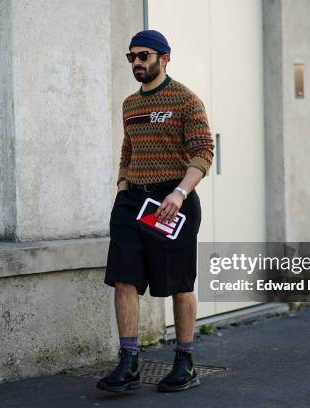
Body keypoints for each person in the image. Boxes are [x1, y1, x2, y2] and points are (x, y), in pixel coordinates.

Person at [96, 29, 214, 393]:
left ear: (164, 58)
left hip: (170, 202)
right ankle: (129, 362)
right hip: (134, 202)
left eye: (143, 55)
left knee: (178, 282)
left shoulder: (185, 100)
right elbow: (127, 152)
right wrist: (121, 188)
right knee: (123, 277)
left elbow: (203, 152)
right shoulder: (130, 104)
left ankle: (185, 361)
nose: (136, 62)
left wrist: (180, 193)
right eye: (131, 57)